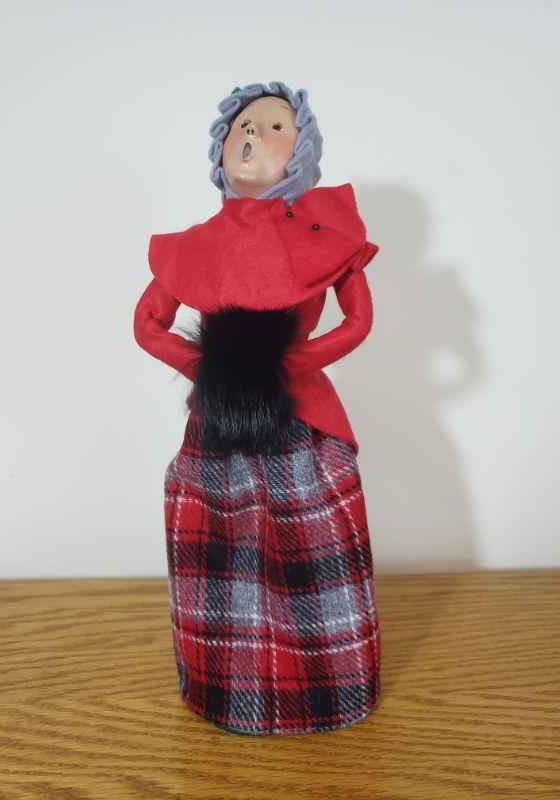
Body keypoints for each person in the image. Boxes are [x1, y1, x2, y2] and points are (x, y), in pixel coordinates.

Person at [133, 81, 382, 735]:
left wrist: (290, 364)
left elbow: (357, 320)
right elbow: (149, 323)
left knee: (316, 540)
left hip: (300, 417)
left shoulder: (324, 233)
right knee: (219, 550)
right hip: (219, 423)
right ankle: (223, 688)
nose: (252, 133)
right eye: (242, 124)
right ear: (220, 144)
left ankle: (333, 684)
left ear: (302, 152)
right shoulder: (196, 244)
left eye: (275, 126)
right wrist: (210, 367)